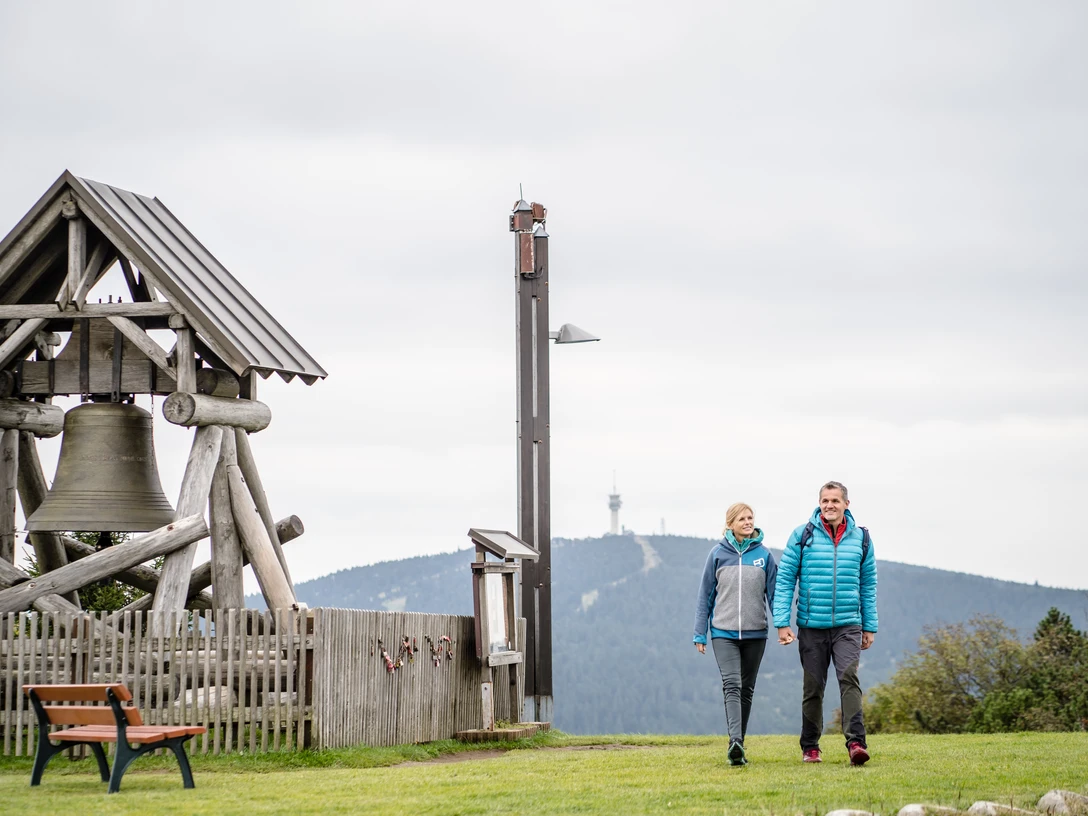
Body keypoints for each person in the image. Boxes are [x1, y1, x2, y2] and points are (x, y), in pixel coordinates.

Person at [773, 481, 878, 766]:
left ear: (846, 504)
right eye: (824, 500)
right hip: (811, 625)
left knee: (849, 679)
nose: (829, 505)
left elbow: (868, 585)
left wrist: (870, 626)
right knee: (813, 687)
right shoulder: (802, 535)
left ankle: (856, 743)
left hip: (848, 625)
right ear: (819, 503)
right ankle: (810, 747)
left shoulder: (862, 539)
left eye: (835, 500)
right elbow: (784, 581)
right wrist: (782, 623)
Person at [693, 502, 778, 766]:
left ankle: (739, 741)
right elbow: (705, 595)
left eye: (750, 517)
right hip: (723, 633)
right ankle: (735, 743)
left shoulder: (765, 555)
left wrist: (783, 627)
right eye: (742, 518)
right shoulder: (717, 554)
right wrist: (700, 633)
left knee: (747, 689)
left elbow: (775, 595)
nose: (747, 522)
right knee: (732, 684)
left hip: (756, 634)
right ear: (730, 524)